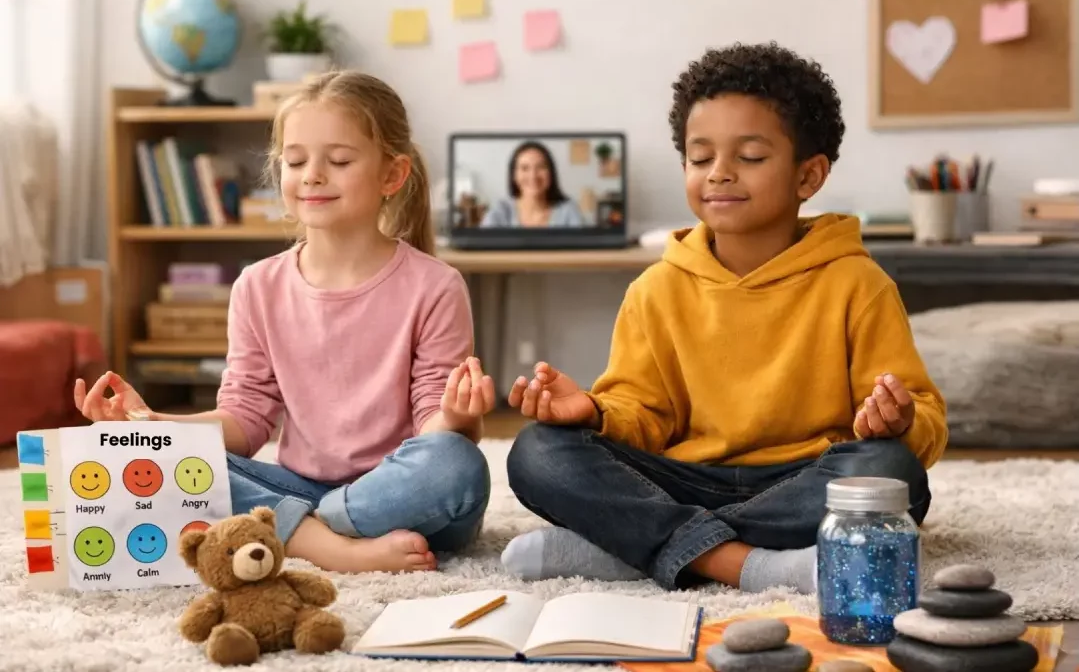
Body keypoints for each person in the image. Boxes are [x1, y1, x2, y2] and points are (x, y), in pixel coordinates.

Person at [499, 42, 947, 594]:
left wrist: (897, 422)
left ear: (808, 177)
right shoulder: (656, 289)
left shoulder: (858, 284)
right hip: (684, 481)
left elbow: (921, 422)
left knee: (892, 472)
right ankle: (748, 562)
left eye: (751, 157)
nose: (720, 174)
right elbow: (643, 416)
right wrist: (592, 411)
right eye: (700, 156)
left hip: (805, 478)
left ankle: (638, 549)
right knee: (538, 452)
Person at [74, 71, 497, 575]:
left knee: (457, 464)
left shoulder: (436, 285)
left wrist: (458, 417)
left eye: (338, 161)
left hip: (403, 494)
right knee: (170, 462)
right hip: (298, 486)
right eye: (296, 161)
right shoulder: (257, 286)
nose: (312, 175)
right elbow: (245, 420)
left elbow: (436, 429)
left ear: (392, 175)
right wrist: (151, 425)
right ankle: (329, 545)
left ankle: (299, 531)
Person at [479, 141, 588, 228]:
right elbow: (482, 251)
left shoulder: (568, 210)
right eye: (524, 168)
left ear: (551, 173)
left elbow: (584, 251)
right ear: (514, 175)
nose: (533, 176)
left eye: (541, 167)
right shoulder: (501, 211)